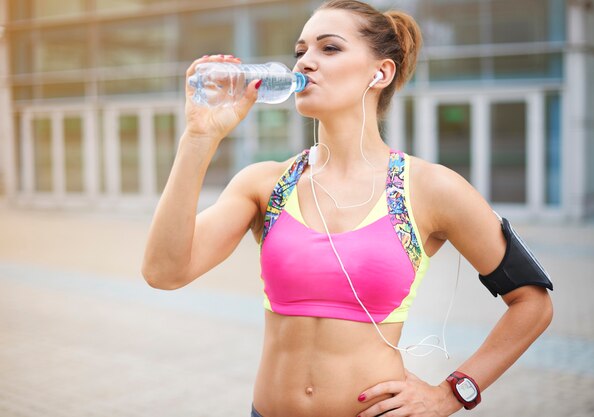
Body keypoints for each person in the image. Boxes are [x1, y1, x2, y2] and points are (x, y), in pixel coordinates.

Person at [142, 1, 554, 416]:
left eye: (329, 48)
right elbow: (164, 272)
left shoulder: (430, 187)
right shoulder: (265, 184)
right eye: (300, 50)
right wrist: (198, 138)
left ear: (381, 72)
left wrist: (452, 393)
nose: (306, 62)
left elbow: (532, 302)